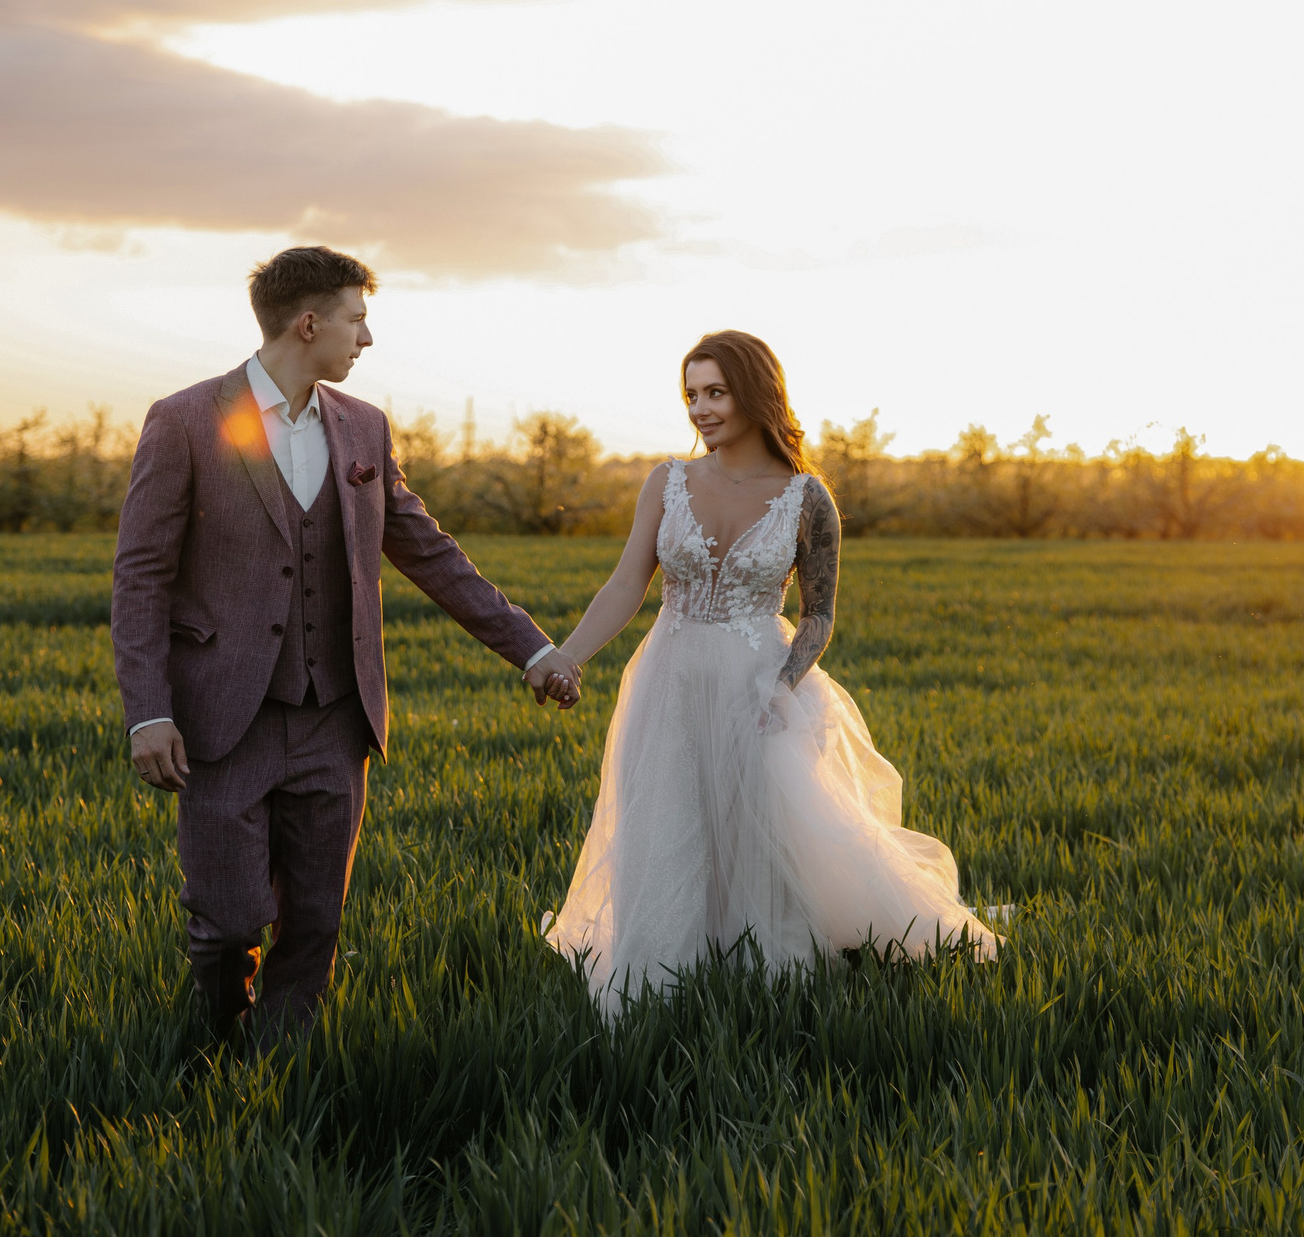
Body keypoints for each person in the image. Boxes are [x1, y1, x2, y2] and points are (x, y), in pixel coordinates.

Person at [111, 245, 579, 1045]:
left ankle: (280, 1069)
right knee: (227, 920)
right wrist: (148, 711)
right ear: (308, 322)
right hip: (225, 719)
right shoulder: (185, 420)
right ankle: (220, 1043)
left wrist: (532, 649)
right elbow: (140, 576)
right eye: (357, 319)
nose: (366, 339)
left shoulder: (364, 427)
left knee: (318, 919)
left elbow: (429, 551)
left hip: (336, 718)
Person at [539, 330, 998, 1015]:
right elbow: (626, 585)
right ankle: (660, 970)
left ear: (756, 392)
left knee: (762, 831)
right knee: (668, 816)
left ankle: (759, 967)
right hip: (669, 674)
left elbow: (819, 614)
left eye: (715, 392)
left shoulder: (808, 498)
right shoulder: (667, 481)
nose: (700, 408)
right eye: (691, 394)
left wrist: (783, 682)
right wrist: (566, 654)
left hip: (761, 682)